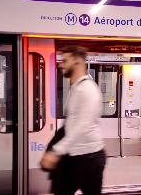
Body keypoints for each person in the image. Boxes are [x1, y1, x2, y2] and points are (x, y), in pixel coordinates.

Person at [40, 45, 106, 195]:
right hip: (74, 156)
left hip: (89, 159)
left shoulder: (87, 89)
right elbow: (72, 124)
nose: (61, 64)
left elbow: (82, 127)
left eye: (65, 60)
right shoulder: (76, 88)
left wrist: (56, 151)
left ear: (77, 61)